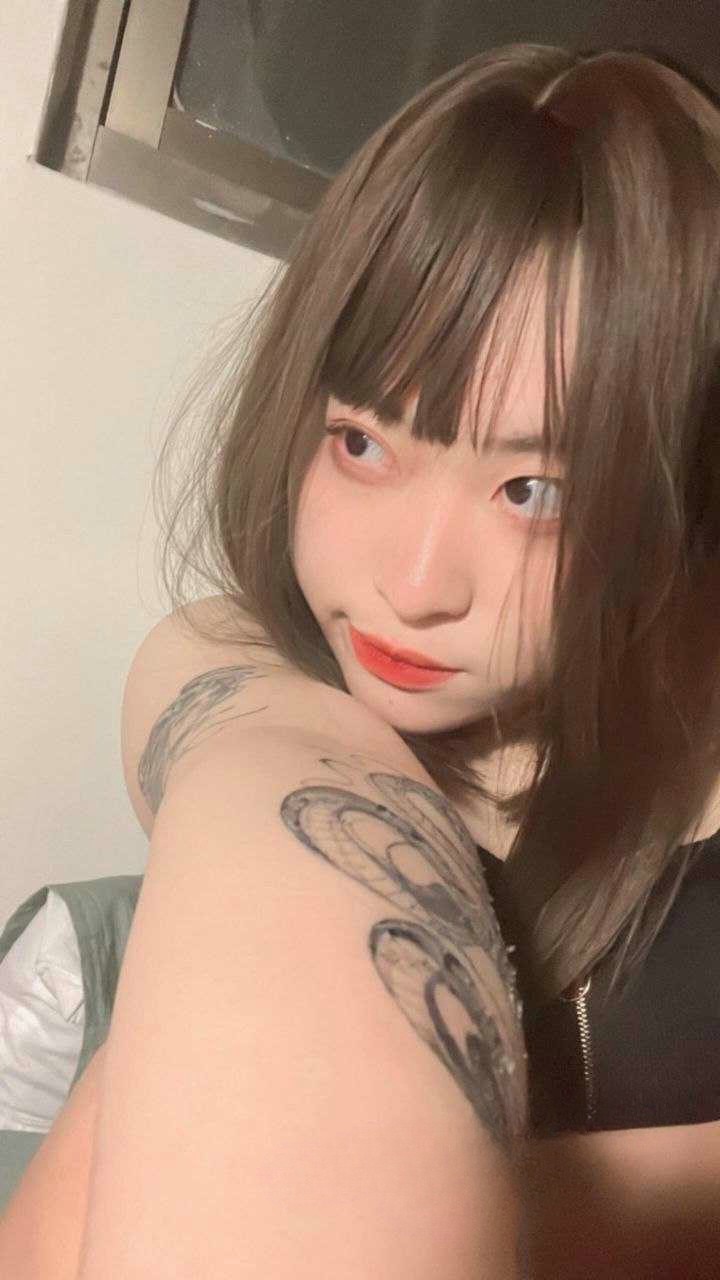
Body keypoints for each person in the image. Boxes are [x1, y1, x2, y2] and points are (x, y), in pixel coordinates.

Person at [2, 38, 720, 1279]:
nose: (414, 584)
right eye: (364, 441)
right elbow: (262, 776)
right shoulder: (247, 672)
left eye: (535, 489)